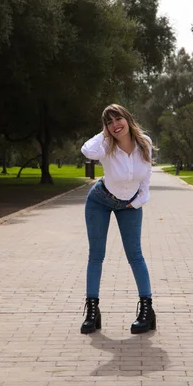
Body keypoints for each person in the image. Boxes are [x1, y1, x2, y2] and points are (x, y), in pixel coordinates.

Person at [80, 104, 156, 335]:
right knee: (96, 256)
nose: (115, 125)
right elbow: (86, 151)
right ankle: (92, 311)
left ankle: (147, 311)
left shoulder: (144, 142)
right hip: (100, 200)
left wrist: (138, 201)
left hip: (130, 204)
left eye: (118, 119)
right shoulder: (105, 145)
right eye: (109, 122)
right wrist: (103, 133)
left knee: (135, 255)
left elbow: (146, 176)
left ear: (128, 118)